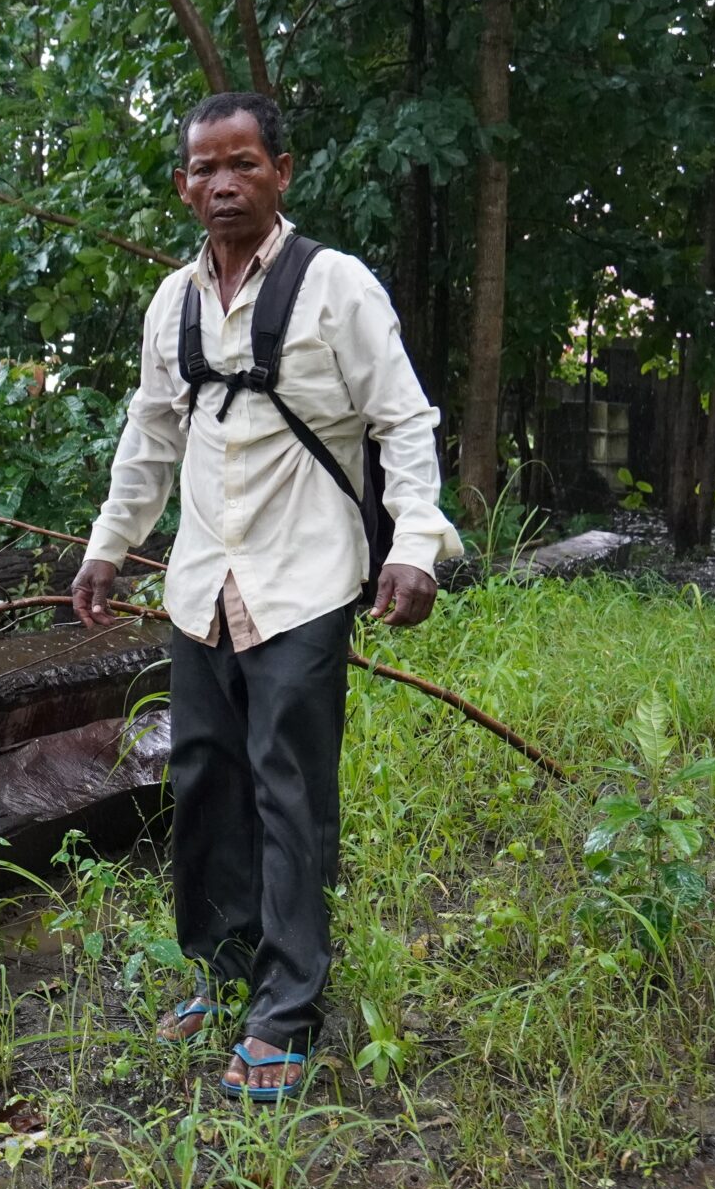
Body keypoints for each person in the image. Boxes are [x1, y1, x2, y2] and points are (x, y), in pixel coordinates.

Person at [69, 92, 462, 1100]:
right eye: (205, 168)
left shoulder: (336, 288)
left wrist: (414, 544)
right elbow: (151, 435)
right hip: (200, 585)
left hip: (304, 583)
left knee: (288, 791)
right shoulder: (173, 303)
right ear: (183, 184)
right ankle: (216, 969)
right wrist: (110, 545)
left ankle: (287, 1013)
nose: (224, 184)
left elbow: (403, 422)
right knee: (201, 783)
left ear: (280, 172)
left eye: (243, 163)